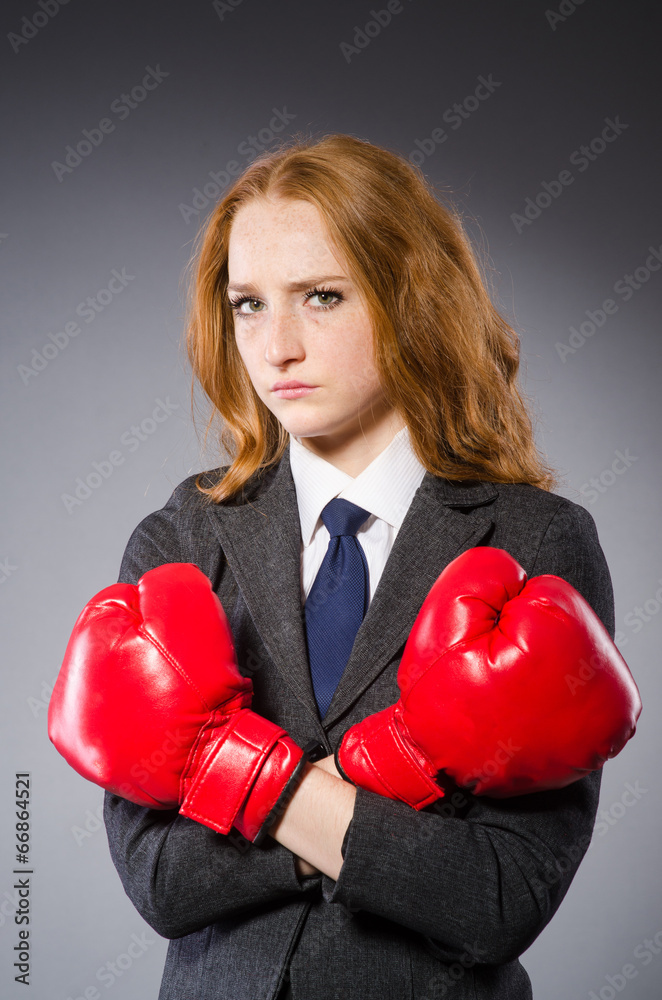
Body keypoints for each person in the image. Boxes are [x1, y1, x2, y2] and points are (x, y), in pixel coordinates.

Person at [102, 133, 617, 999]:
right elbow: (161, 879)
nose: (277, 348)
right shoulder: (183, 536)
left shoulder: (537, 544)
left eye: (322, 297)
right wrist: (372, 791)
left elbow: (498, 897)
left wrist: (253, 786)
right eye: (249, 305)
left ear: (413, 299)